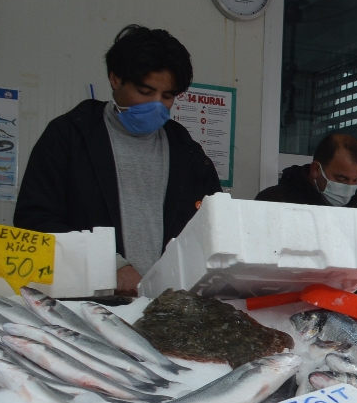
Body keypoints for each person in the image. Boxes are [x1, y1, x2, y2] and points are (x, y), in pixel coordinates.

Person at [16, 25, 220, 296]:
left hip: (167, 309)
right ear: (115, 78)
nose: (157, 105)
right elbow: (34, 220)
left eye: (167, 96)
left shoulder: (187, 153)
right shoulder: (69, 137)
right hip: (86, 304)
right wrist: (107, 264)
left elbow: (214, 226)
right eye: (145, 92)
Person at [255, 133, 357, 208]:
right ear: (315, 169)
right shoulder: (274, 200)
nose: (349, 188)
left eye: (356, 180)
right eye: (341, 179)